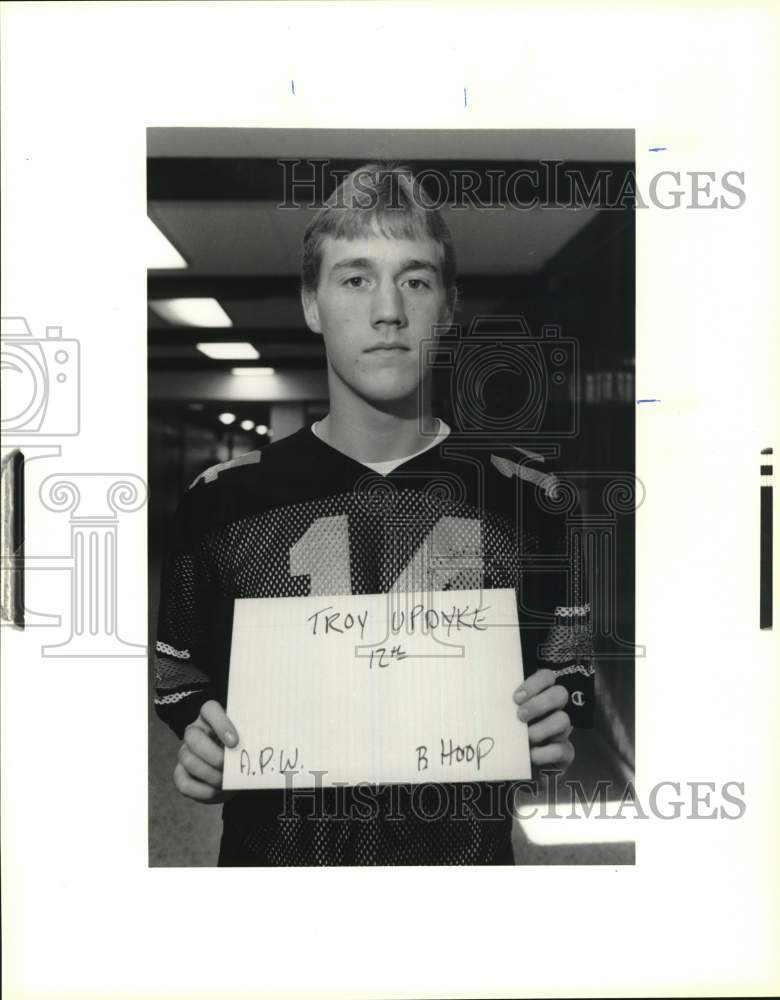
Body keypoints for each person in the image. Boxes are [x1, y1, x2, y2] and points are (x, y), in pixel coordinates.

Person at [154, 163, 594, 865]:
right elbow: (178, 677)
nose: (387, 309)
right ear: (310, 303)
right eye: (355, 278)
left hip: (462, 883)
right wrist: (201, 738)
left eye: (415, 279)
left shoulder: (531, 497)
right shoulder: (222, 501)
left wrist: (554, 719)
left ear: (447, 307)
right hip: (275, 880)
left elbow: (569, 674)